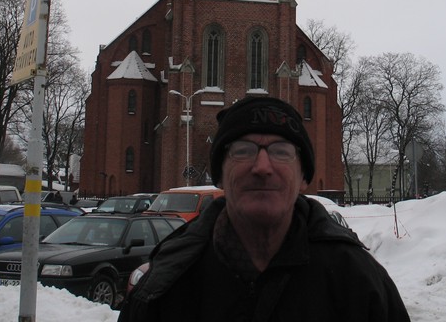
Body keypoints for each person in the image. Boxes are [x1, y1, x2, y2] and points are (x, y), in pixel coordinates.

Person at [119, 96, 410, 321]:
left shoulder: (358, 283)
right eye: (243, 151)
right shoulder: (165, 285)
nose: (261, 167)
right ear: (220, 174)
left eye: (281, 152)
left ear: (304, 176)